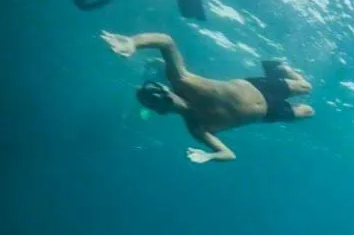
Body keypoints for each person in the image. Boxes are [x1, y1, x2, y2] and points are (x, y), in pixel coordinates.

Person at [101, 31, 314, 163]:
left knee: (306, 87)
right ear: (163, 112)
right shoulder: (196, 128)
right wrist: (210, 156)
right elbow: (229, 154)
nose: (171, 102)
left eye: (166, 97)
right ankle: (276, 70)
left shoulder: (181, 79)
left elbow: (166, 41)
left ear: (167, 91)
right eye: (164, 106)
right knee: (308, 112)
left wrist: (133, 42)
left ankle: (277, 67)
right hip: (266, 113)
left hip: (259, 88)